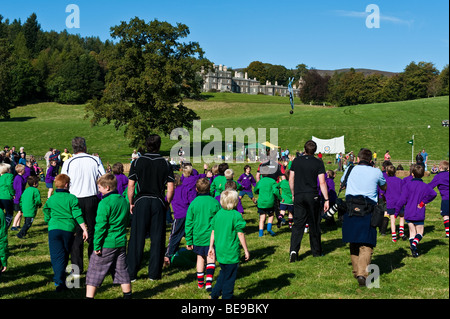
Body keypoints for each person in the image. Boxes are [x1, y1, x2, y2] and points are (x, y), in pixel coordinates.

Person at [126, 134, 175, 281]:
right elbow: (171, 187)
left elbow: (131, 185)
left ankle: (132, 273)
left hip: (141, 200)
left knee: (136, 237)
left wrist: (131, 202)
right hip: (158, 201)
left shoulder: (137, 162)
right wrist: (167, 202)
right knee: (157, 237)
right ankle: (154, 273)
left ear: (146, 145)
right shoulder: (166, 163)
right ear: (159, 145)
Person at [340, 148, 386, 287]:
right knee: (367, 243)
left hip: (351, 207)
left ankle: (357, 271)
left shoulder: (349, 169)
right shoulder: (376, 171)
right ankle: (362, 273)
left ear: (358, 159)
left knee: (353, 240)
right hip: (368, 208)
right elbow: (384, 186)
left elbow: (343, 182)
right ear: (371, 160)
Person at [61, 137, 105, 276]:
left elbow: (63, 180)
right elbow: (103, 177)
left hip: (74, 199)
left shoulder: (68, 162)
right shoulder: (95, 160)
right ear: (85, 147)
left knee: (76, 235)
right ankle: (94, 264)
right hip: (92, 198)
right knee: (93, 231)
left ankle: (76, 268)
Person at [85, 174, 131, 299]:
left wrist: (97, 244)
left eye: (99, 187)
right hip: (121, 241)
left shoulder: (104, 203)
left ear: (107, 188)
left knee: (94, 270)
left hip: (107, 242)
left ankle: (89, 297)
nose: (98, 190)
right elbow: (127, 220)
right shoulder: (124, 201)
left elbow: (100, 226)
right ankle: (127, 295)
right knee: (122, 270)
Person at [43, 174, 88, 292]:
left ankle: (59, 281)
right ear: (67, 185)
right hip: (68, 229)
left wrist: (48, 219)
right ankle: (64, 279)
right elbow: (77, 214)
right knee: (65, 254)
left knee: (56, 256)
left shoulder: (51, 198)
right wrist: (84, 228)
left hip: (54, 229)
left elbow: (46, 209)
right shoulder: (72, 198)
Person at [288, 140, 329, 262]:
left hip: (299, 194)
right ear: (315, 151)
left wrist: (293, 193)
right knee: (314, 224)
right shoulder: (318, 162)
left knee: (298, 224)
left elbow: (291, 178)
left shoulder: (296, 161)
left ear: (304, 149)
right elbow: (322, 182)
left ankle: (294, 251)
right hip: (312, 196)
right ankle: (316, 251)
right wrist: (326, 199)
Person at [208, 189, 249, 299]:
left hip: (220, 250)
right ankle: (227, 296)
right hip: (231, 252)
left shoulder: (218, 214)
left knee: (224, 273)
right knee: (230, 277)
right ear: (235, 202)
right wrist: (246, 250)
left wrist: (211, 246)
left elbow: (213, 231)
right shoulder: (236, 215)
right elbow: (240, 234)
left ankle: (215, 293)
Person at [185, 178, 221, 291]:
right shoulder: (215, 202)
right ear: (209, 188)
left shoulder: (193, 204)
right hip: (211, 237)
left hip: (198, 237)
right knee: (211, 257)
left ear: (196, 189)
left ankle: (200, 283)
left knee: (200, 258)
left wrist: (189, 240)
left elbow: (189, 223)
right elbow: (219, 220)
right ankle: (209, 283)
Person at [395, 164, 437, 257]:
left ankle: (414, 250)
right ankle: (414, 245)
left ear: (412, 174)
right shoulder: (425, 186)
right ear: (422, 174)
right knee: (420, 233)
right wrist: (423, 202)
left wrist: (396, 212)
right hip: (419, 212)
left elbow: (402, 200)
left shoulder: (407, 185)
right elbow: (433, 194)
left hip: (409, 212)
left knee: (412, 233)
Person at [164, 174, 190, 266]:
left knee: (174, 236)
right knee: (190, 234)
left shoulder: (172, 191)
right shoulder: (185, 188)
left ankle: (168, 255)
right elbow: (190, 200)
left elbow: (166, 200)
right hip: (188, 215)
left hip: (179, 216)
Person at [254, 166, 282, 237]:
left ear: (261, 174)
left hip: (261, 202)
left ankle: (260, 234)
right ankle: (269, 229)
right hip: (270, 202)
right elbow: (276, 191)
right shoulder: (272, 181)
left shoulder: (260, 181)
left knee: (262, 217)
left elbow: (255, 190)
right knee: (271, 215)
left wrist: (258, 192)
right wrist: (280, 198)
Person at [384, 165, 405, 242]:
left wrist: (384, 199)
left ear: (386, 172)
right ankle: (401, 231)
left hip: (390, 202)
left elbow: (383, 192)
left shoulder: (385, 181)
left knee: (392, 218)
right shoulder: (400, 181)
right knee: (402, 216)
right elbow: (403, 191)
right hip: (399, 201)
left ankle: (394, 236)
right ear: (395, 172)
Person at [428, 160, 449, 238]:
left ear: (440, 167)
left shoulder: (438, 176)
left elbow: (430, 186)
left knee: (446, 215)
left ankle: (448, 233)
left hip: (446, 198)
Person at [11, 164, 27, 231]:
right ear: (21, 171)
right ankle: (14, 225)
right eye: (24, 170)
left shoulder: (17, 177)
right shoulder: (19, 178)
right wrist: (21, 197)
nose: (25, 171)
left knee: (20, 211)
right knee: (20, 212)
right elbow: (19, 189)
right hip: (18, 198)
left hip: (17, 197)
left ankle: (18, 225)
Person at [0, 163, 14, 229]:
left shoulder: (1, 177)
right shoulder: (10, 175)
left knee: (1, 212)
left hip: (0, 196)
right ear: (7, 170)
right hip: (7, 196)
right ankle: (5, 228)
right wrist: (13, 193)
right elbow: (9, 185)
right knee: (9, 213)